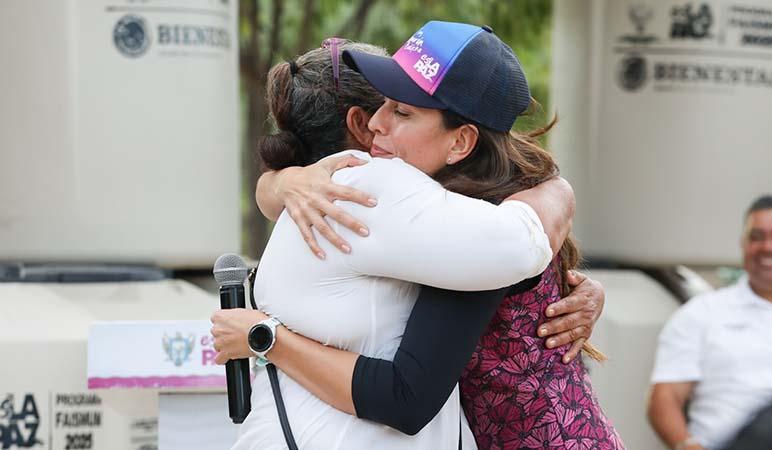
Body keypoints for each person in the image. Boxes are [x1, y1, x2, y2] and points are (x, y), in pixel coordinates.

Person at [212, 22, 618, 449]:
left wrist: (266, 336)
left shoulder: (467, 224)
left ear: (461, 142)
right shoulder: (435, 211)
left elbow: (405, 396)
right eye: (382, 105)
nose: (377, 126)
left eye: (402, 111)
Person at [648, 194, 772, 450]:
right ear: (743, 244)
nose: (768, 247)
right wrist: (688, 446)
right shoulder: (702, 313)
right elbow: (666, 397)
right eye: (756, 237)